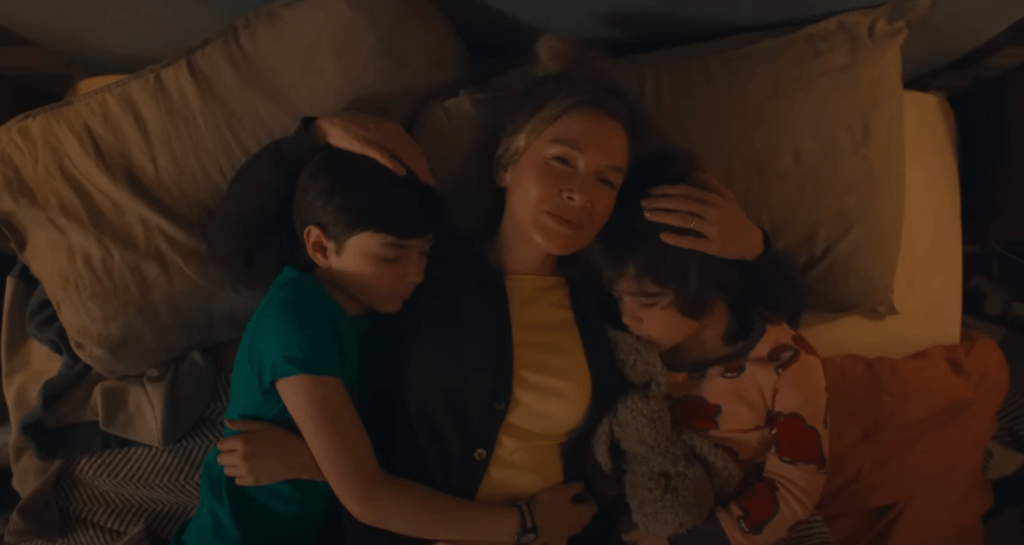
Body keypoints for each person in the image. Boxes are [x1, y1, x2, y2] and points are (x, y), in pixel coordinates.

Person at [206, 37, 775, 545]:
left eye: (607, 180)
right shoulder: (416, 267)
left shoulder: (610, 298)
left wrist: (752, 246)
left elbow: (745, 328)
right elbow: (237, 252)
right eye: (562, 160)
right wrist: (312, 136)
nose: (581, 193)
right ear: (507, 163)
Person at [173, 148, 598, 545]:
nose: (416, 274)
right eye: (392, 257)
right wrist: (527, 523)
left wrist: (311, 462)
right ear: (320, 247)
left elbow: (371, 460)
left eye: (423, 253)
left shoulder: (378, 310)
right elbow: (368, 495)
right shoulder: (297, 321)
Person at [588, 151, 832, 545]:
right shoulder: (629, 355)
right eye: (619, 297)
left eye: (648, 301)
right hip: (656, 516)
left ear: (710, 287)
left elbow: (794, 490)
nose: (628, 317)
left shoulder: (787, 363)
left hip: (767, 527)